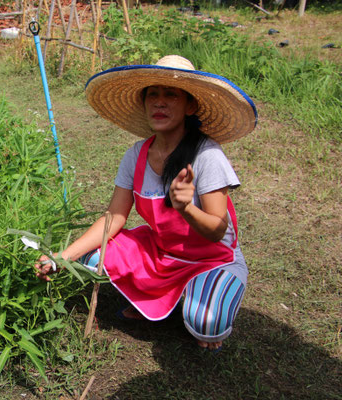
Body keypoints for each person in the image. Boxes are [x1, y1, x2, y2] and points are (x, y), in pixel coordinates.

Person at [35, 55, 257, 352]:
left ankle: (200, 295)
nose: (159, 103)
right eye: (152, 94)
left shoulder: (207, 156)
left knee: (206, 323)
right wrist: (62, 256)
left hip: (211, 258)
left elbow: (218, 230)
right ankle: (168, 293)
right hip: (163, 252)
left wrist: (187, 209)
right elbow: (114, 217)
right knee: (89, 256)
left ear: (190, 106)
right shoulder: (136, 155)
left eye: (170, 95)